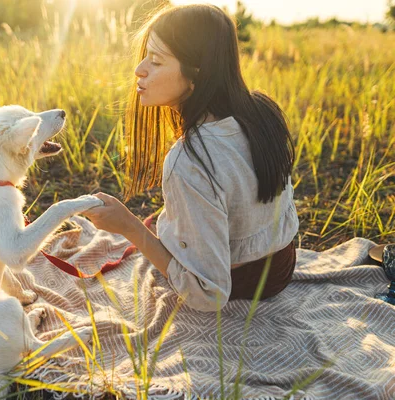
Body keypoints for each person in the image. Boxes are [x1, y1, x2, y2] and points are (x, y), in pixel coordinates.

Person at [82, 4, 299, 312]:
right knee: (163, 222)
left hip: (243, 281)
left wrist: (129, 227)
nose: (139, 69)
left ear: (197, 76)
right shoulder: (262, 111)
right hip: (281, 266)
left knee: (149, 226)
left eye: (155, 61)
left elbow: (209, 295)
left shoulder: (190, 160)